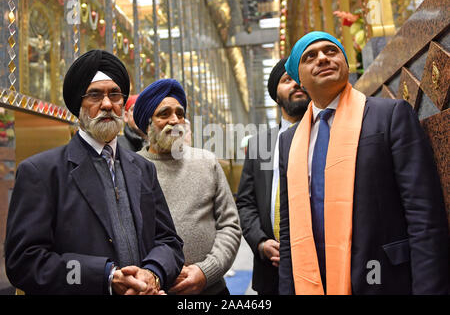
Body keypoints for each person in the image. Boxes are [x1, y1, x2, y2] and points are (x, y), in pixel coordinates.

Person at [278, 31, 449, 295]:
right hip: (313, 279)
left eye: (331, 51)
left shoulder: (389, 116)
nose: (323, 58)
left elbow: (423, 214)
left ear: (345, 62)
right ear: (299, 79)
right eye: (310, 56)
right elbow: (289, 232)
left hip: (381, 278)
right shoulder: (290, 141)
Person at [4, 50, 184, 295]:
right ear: (79, 105)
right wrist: (106, 277)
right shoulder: (42, 173)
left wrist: (152, 274)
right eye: (95, 95)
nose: (107, 104)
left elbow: (170, 242)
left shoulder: (142, 169)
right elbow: (25, 263)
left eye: (115, 94)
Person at [133, 78, 242, 295]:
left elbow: (230, 225)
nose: (175, 120)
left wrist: (205, 272)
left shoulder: (207, 162)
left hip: (212, 290)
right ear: (147, 124)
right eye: (164, 114)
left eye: (180, 114)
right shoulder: (131, 169)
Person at [235, 58, 310, 295]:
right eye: (287, 80)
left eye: (300, 79)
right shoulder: (260, 146)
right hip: (272, 270)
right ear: (276, 96)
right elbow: (246, 203)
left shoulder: (329, 133)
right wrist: (261, 242)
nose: (296, 85)